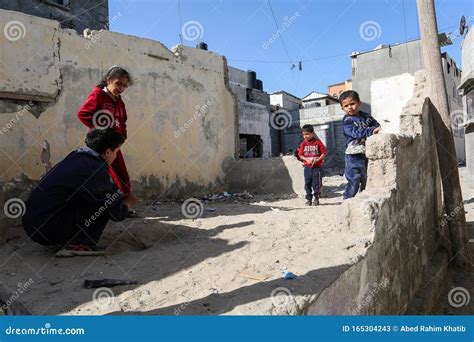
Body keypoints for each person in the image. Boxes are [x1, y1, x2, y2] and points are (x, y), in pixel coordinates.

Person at [22, 129, 137, 257]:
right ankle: (79, 244)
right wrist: (128, 203)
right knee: (104, 203)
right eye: (116, 151)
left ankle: (69, 239)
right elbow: (116, 213)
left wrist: (117, 196)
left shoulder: (78, 157)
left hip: (34, 224)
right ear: (108, 152)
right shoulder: (94, 168)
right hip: (47, 228)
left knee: (102, 196)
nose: (116, 156)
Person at [77, 65, 139, 217]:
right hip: (99, 146)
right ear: (108, 80)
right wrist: (101, 130)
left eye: (124, 86)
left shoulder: (119, 100)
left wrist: (121, 138)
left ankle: (124, 206)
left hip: (114, 145)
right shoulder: (98, 95)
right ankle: (93, 209)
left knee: (121, 175)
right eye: (118, 83)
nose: (121, 88)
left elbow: (122, 120)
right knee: (97, 175)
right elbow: (83, 114)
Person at [340, 90, 381, 199]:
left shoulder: (367, 117)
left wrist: (374, 129)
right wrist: (370, 131)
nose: (350, 107)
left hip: (366, 154)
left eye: (352, 104)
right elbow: (355, 133)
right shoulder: (347, 121)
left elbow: (377, 126)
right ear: (342, 108)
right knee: (354, 181)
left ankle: (363, 201)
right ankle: (347, 201)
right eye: (346, 106)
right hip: (353, 156)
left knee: (366, 181)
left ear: (359, 103)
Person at [298, 124, 327, 206]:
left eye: (307, 134)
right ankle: (309, 199)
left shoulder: (317, 142)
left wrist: (318, 159)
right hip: (307, 168)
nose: (305, 136)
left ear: (312, 133)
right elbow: (300, 155)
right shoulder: (303, 143)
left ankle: (316, 199)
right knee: (307, 184)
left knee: (316, 184)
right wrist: (307, 159)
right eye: (303, 134)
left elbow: (324, 153)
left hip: (316, 168)